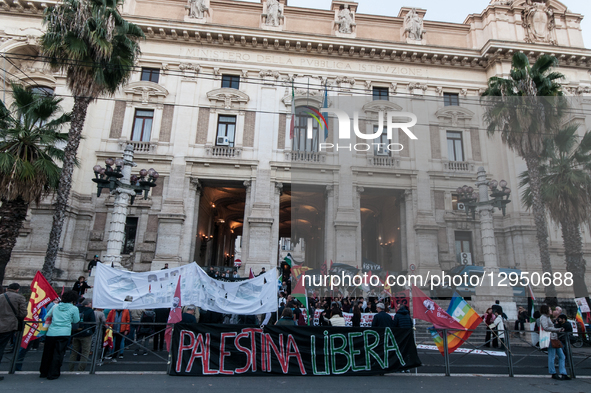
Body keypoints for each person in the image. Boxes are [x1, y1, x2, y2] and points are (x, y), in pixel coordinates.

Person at [39, 290, 80, 380]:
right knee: (58, 353)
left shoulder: (55, 306)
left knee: (47, 353)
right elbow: (76, 320)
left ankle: (44, 372)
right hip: (64, 332)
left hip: (51, 332)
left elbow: (47, 317)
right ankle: (53, 373)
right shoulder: (74, 308)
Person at [0, 283, 27, 379]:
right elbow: (23, 313)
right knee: (1, 348)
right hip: (9, 326)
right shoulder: (19, 298)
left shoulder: (1, 296)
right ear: (17, 289)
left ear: (7, 288)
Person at [540, 304, 570, 380]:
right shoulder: (543, 317)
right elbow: (546, 327)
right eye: (549, 309)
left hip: (554, 338)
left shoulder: (547, 317)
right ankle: (553, 372)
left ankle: (563, 373)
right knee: (552, 356)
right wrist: (557, 329)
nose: (551, 310)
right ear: (546, 310)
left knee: (562, 356)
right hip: (550, 339)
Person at [69, 299, 95, 372]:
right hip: (86, 333)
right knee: (85, 352)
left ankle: (70, 368)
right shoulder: (90, 311)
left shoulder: (76, 309)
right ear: (88, 304)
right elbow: (93, 322)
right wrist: (92, 331)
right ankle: (80, 369)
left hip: (76, 332)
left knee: (74, 352)